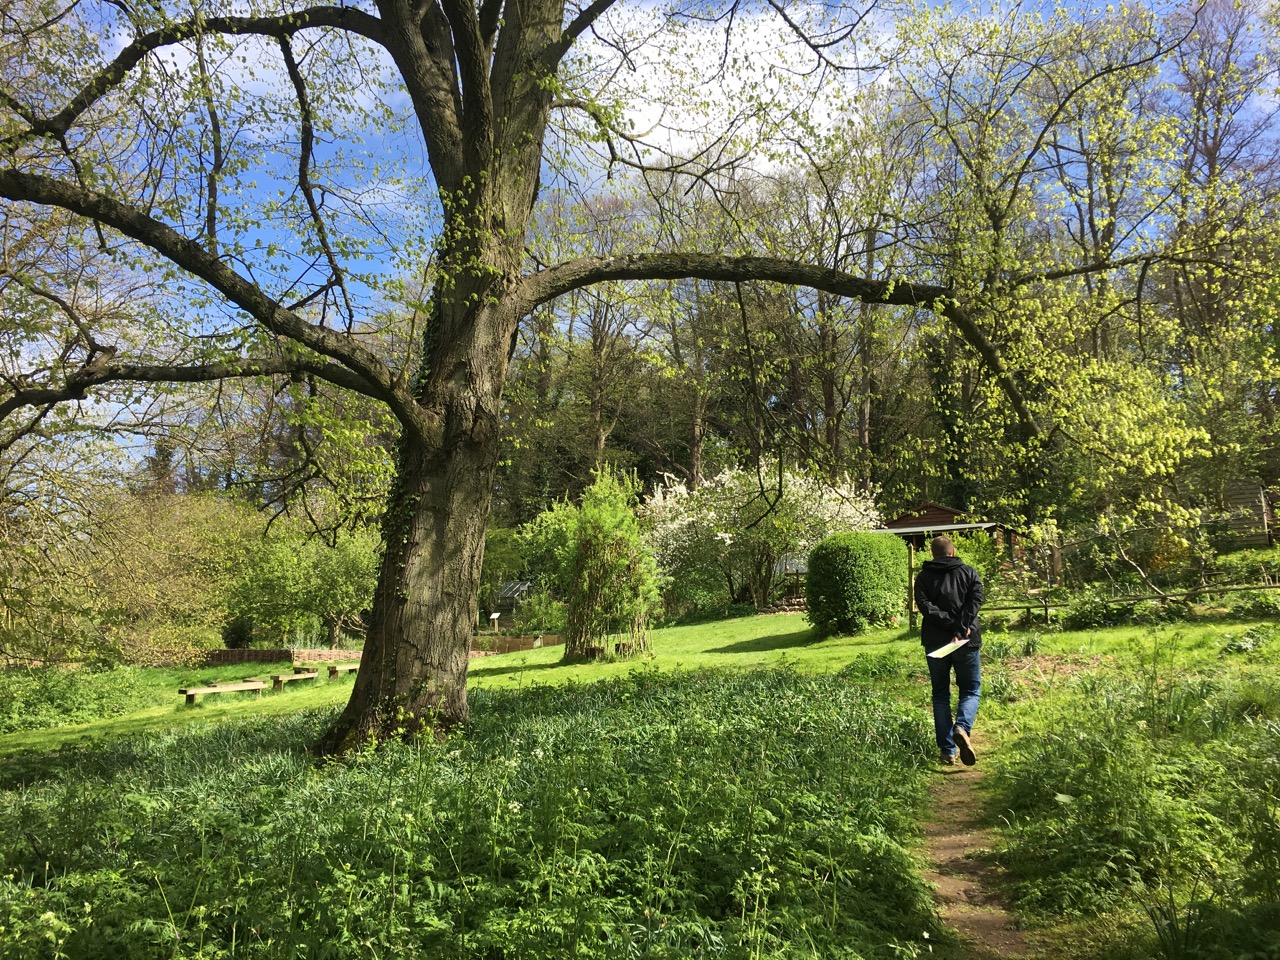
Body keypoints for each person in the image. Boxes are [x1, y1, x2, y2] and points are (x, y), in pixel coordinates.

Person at [914, 535, 984, 766]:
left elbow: (926, 607)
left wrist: (950, 625)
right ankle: (962, 727)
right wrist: (961, 626)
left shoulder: (923, 577)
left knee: (940, 695)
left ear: (932, 554)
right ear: (953, 552)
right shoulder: (969, 573)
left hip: (936, 642)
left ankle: (947, 751)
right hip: (966, 640)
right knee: (970, 690)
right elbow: (976, 600)